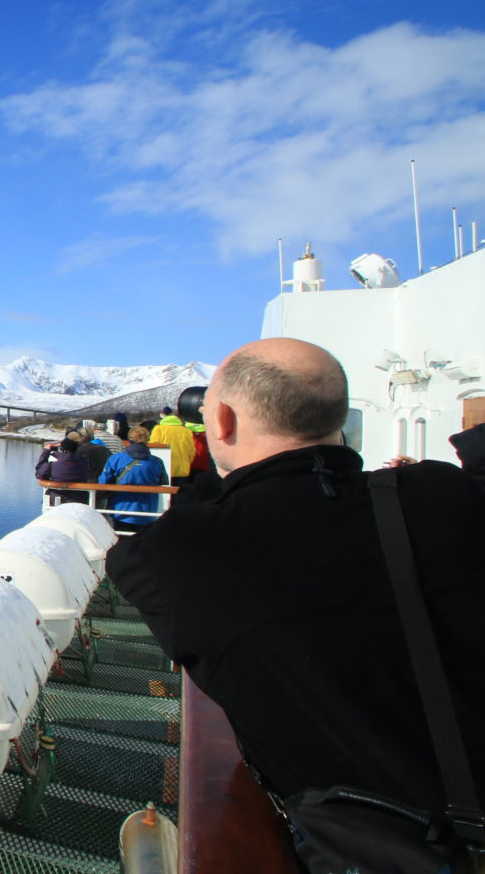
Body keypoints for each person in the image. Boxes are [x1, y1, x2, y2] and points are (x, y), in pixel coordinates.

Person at [107, 338, 485, 864]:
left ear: (219, 420)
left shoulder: (173, 556)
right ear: (338, 417)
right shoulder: (442, 493)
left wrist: (213, 481)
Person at [96, 425, 167, 531]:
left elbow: (103, 482)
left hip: (121, 509)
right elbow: (163, 482)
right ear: (147, 440)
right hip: (148, 510)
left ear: (129, 439)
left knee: (123, 540)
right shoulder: (157, 462)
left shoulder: (116, 459)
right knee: (143, 544)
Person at [34, 437, 91, 504]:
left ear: (61, 449)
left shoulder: (52, 465)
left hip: (58, 501)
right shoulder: (85, 464)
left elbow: (39, 473)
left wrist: (46, 452)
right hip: (80, 501)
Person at [148, 406, 195, 484]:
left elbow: (154, 448)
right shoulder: (186, 431)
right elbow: (191, 451)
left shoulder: (158, 429)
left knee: (164, 494)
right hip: (181, 470)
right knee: (179, 494)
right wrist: (186, 463)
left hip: (163, 469)